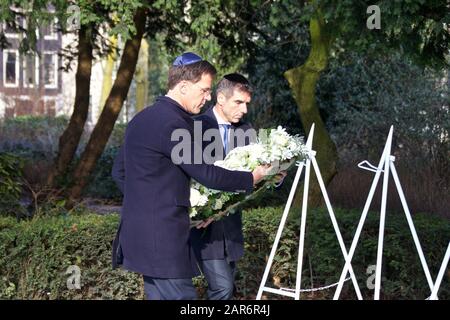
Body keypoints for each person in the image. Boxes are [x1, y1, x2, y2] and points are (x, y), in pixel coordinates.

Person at [111, 53, 271, 300]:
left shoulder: (140, 119)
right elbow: (206, 174)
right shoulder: (174, 124)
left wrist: (147, 203)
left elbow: (120, 173)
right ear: (183, 86)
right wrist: (251, 178)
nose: (208, 98)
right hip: (163, 241)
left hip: (139, 237)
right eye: (205, 90)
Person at [190, 73, 286, 300]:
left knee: (226, 289)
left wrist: (274, 175)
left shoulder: (246, 130)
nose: (244, 110)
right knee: (222, 288)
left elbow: (252, 177)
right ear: (220, 98)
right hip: (203, 227)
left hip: (231, 229)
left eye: (247, 104)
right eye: (238, 102)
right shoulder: (195, 127)